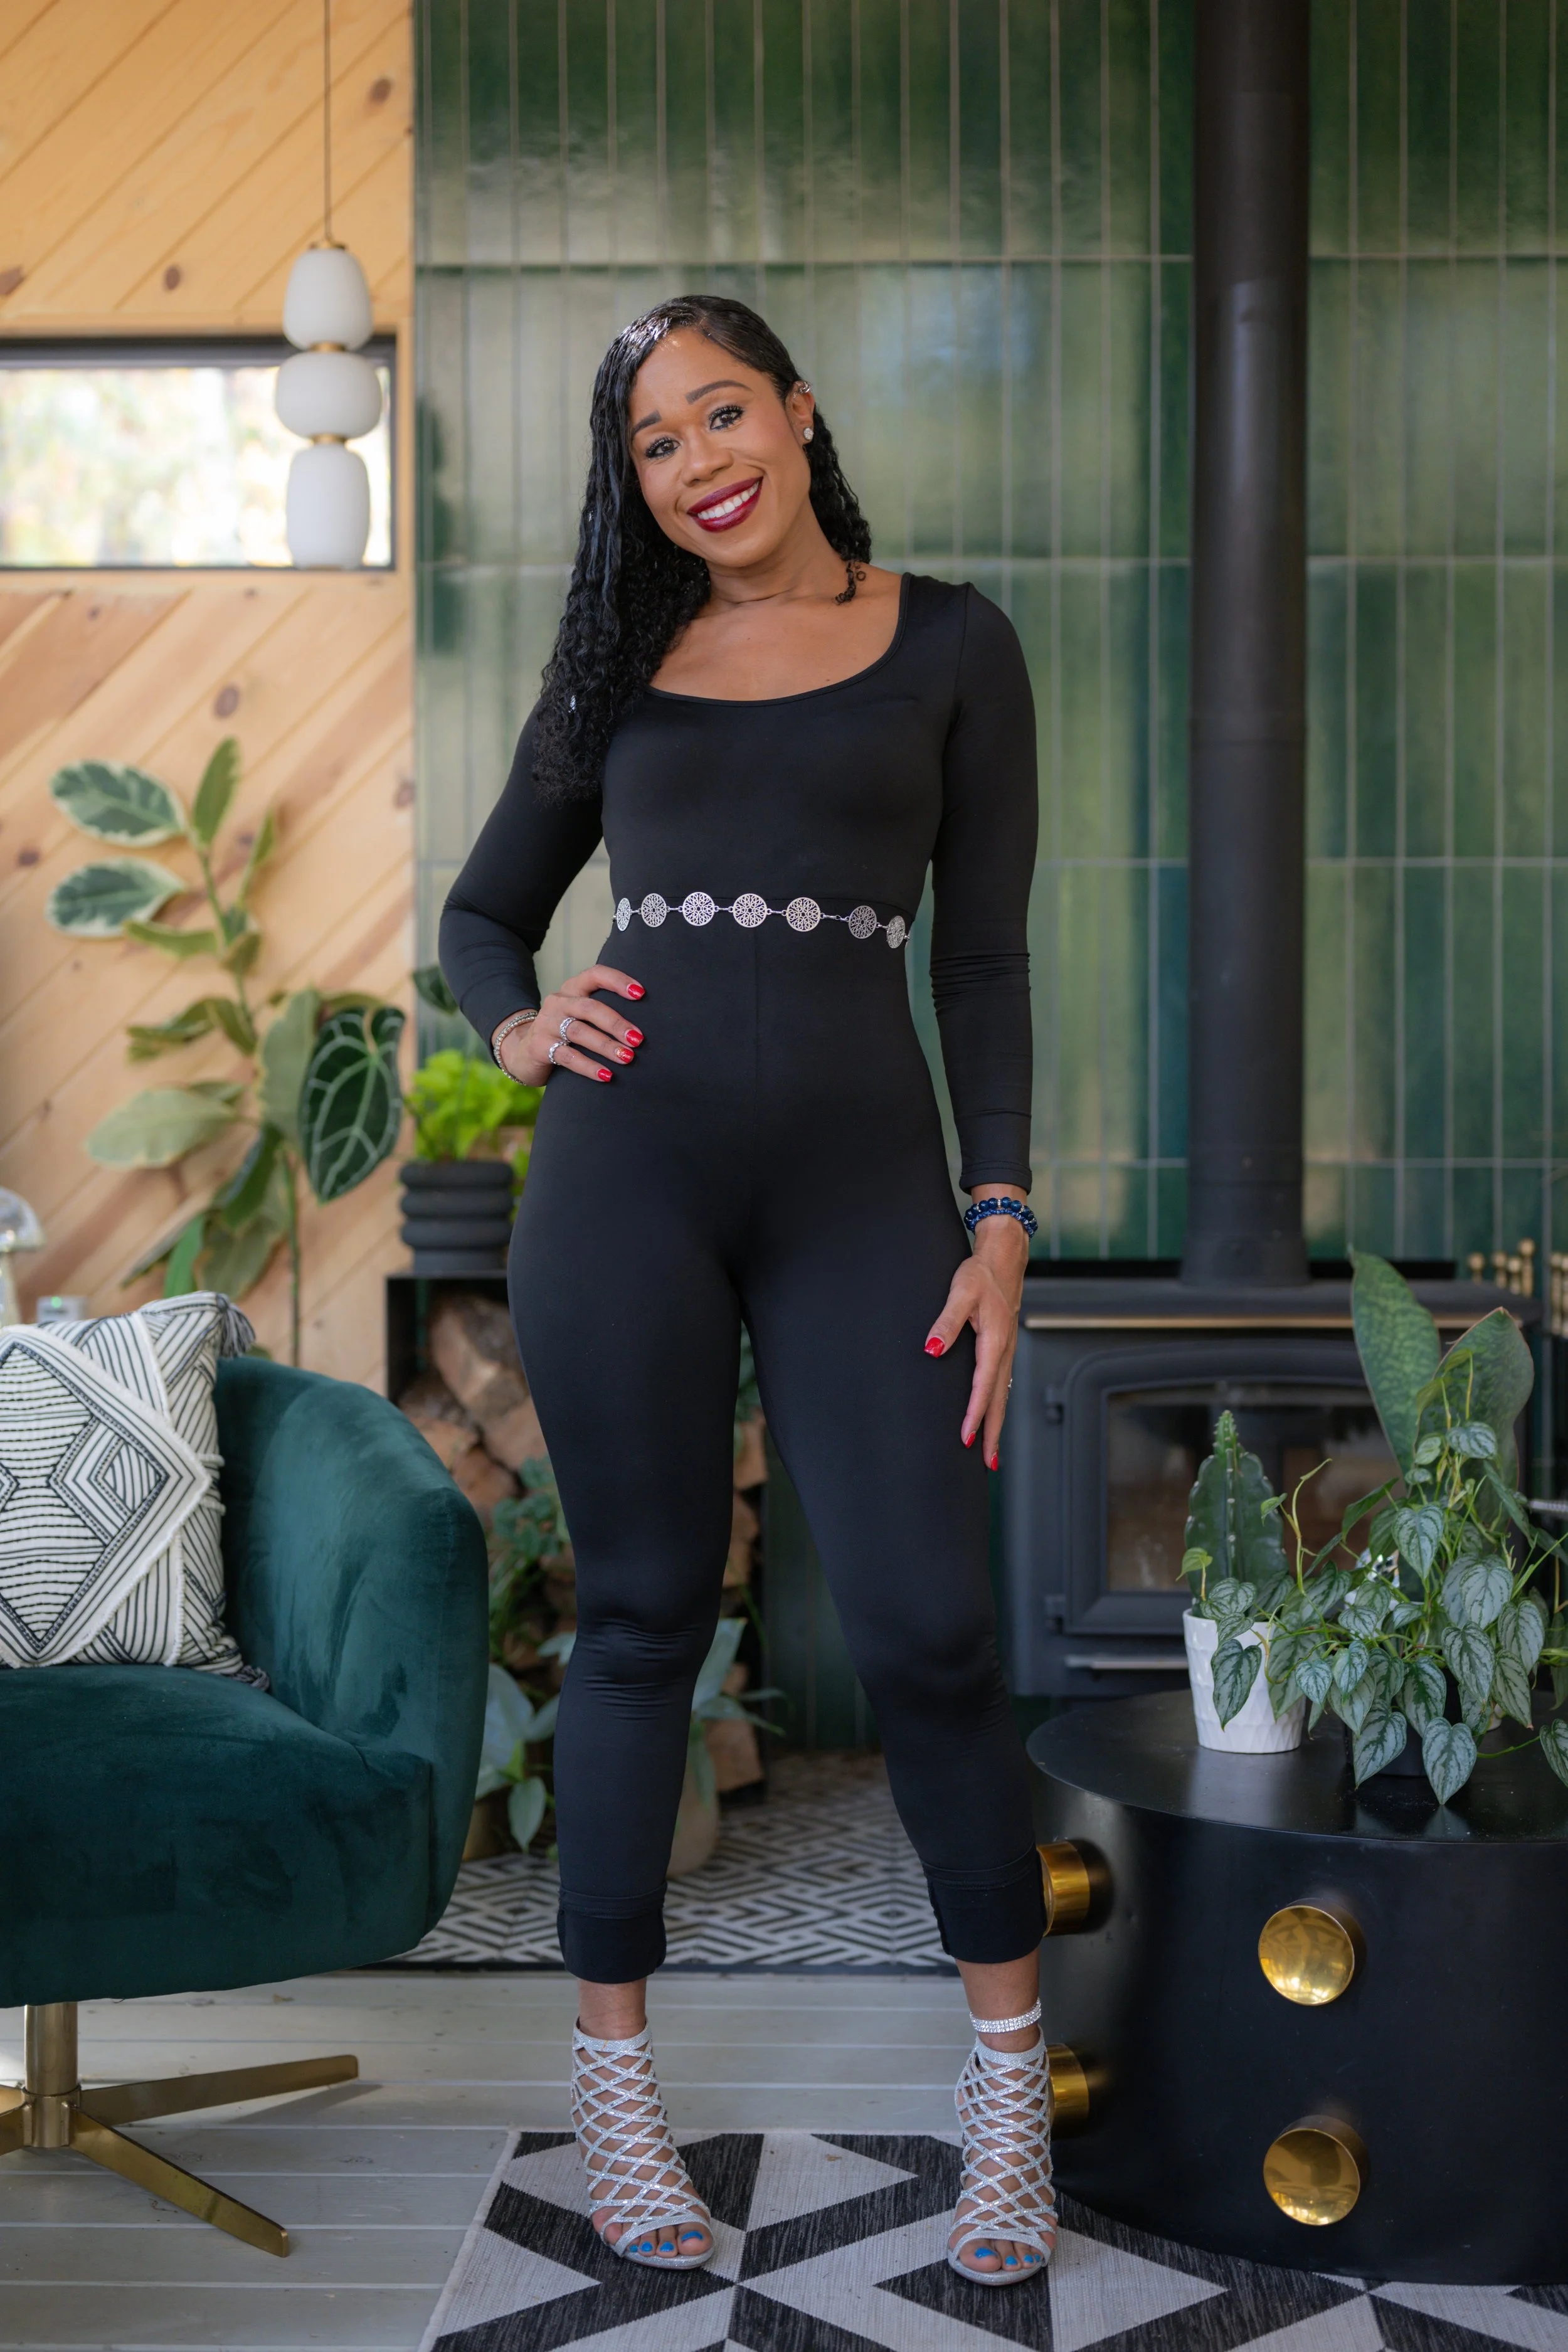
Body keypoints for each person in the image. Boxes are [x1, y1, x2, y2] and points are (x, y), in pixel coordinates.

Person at [440, 295, 1052, 2288]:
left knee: (931, 1632)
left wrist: (1000, 1213)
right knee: (635, 1626)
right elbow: (480, 911)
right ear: (633, 483)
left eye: (723, 411)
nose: (697, 457)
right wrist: (519, 1026)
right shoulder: (614, 661)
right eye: (652, 442)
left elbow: (984, 963)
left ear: (795, 411)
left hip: (873, 1193)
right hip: (624, 1184)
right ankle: (620, 2117)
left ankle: (1006, 2103)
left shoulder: (954, 640)